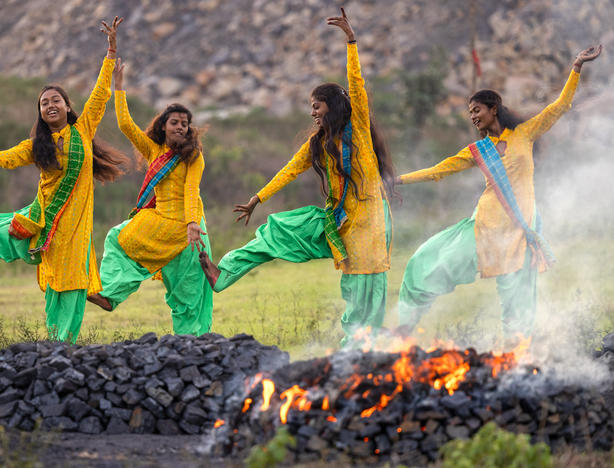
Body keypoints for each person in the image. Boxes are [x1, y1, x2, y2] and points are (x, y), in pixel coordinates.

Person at [199, 8, 398, 345]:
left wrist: (351, 41)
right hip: (337, 220)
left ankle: (361, 348)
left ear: (332, 106)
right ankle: (224, 273)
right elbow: (290, 169)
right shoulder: (319, 143)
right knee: (278, 231)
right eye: (310, 105)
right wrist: (257, 199)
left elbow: (357, 86)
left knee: (363, 288)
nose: (312, 111)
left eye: (316, 105)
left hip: (371, 224)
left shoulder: (359, 130)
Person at [0, 17, 128, 343]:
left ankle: (59, 344)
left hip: (72, 233)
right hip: (39, 222)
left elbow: (99, 95)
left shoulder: (82, 130)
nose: (50, 105)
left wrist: (110, 51)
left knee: (66, 288)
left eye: (55, 100)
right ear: (40, 113)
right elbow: (9, 155)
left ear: (67, 106)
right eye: (44, 103)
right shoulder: (37, 147)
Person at [395, 45, 602, 341]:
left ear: (494, 108)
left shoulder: (524, 134)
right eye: (470, 113)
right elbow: (440, 170)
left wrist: (577, 67)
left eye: (477, 110)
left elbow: (559, 107)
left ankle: (515, 355)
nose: (473, 117)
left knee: (516, 297)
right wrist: (399, 180)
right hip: (484, 227)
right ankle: (403, 328)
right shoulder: (479, 150)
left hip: (518, 229)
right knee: (429, 263)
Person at [86, 58, 213, 336]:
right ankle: (109, 294)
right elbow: (125, 125)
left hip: (187, 227)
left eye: (185, 124)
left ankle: (193, 345)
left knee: (187, 290)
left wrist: (192, 223)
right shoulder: (154, 150)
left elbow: (192, 190)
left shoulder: (193, 156)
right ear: (164, 126)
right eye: (175, 122)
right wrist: (118, 86)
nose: (181, 127)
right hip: (161, 221)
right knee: (118, 238)